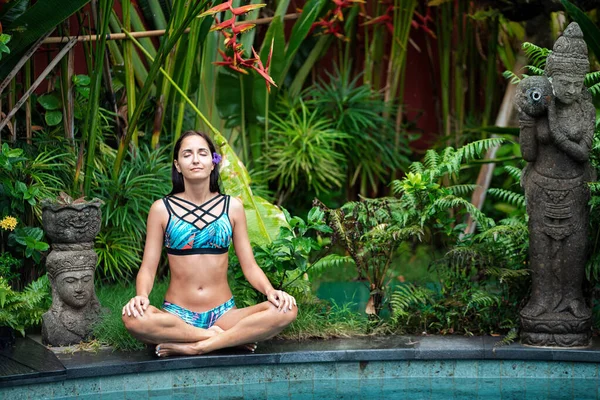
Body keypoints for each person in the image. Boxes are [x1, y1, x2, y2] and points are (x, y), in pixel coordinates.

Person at [122, 130, 297, 357]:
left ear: (213, 163)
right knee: (133, 318)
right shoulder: (161, 209)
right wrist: (141, 297)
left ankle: (197, 346)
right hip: (177, 315)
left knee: (286, 310)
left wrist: (270, 290)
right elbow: (147, 267)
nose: (195, 160)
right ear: (177, 165)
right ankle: (225, 339)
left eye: (202, 153)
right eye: (187, 154)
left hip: (224, 313)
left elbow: (250, 265)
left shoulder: (232, 206)